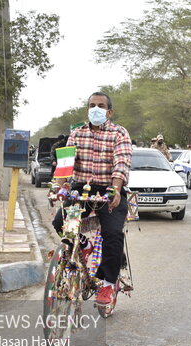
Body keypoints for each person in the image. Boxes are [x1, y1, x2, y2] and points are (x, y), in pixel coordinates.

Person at [51, 92, 133, 306]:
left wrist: (116, 188)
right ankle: (84, 244)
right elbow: (65, 166)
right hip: (82, 191)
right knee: (61, 223)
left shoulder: (119, 133)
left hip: (109, 190)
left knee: (113, 234)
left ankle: (107, 283)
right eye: (92, 105)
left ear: (109, 111)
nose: (95, 109)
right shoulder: (77, 134)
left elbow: (121, 162)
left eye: (101, 105)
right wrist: (56, 187)